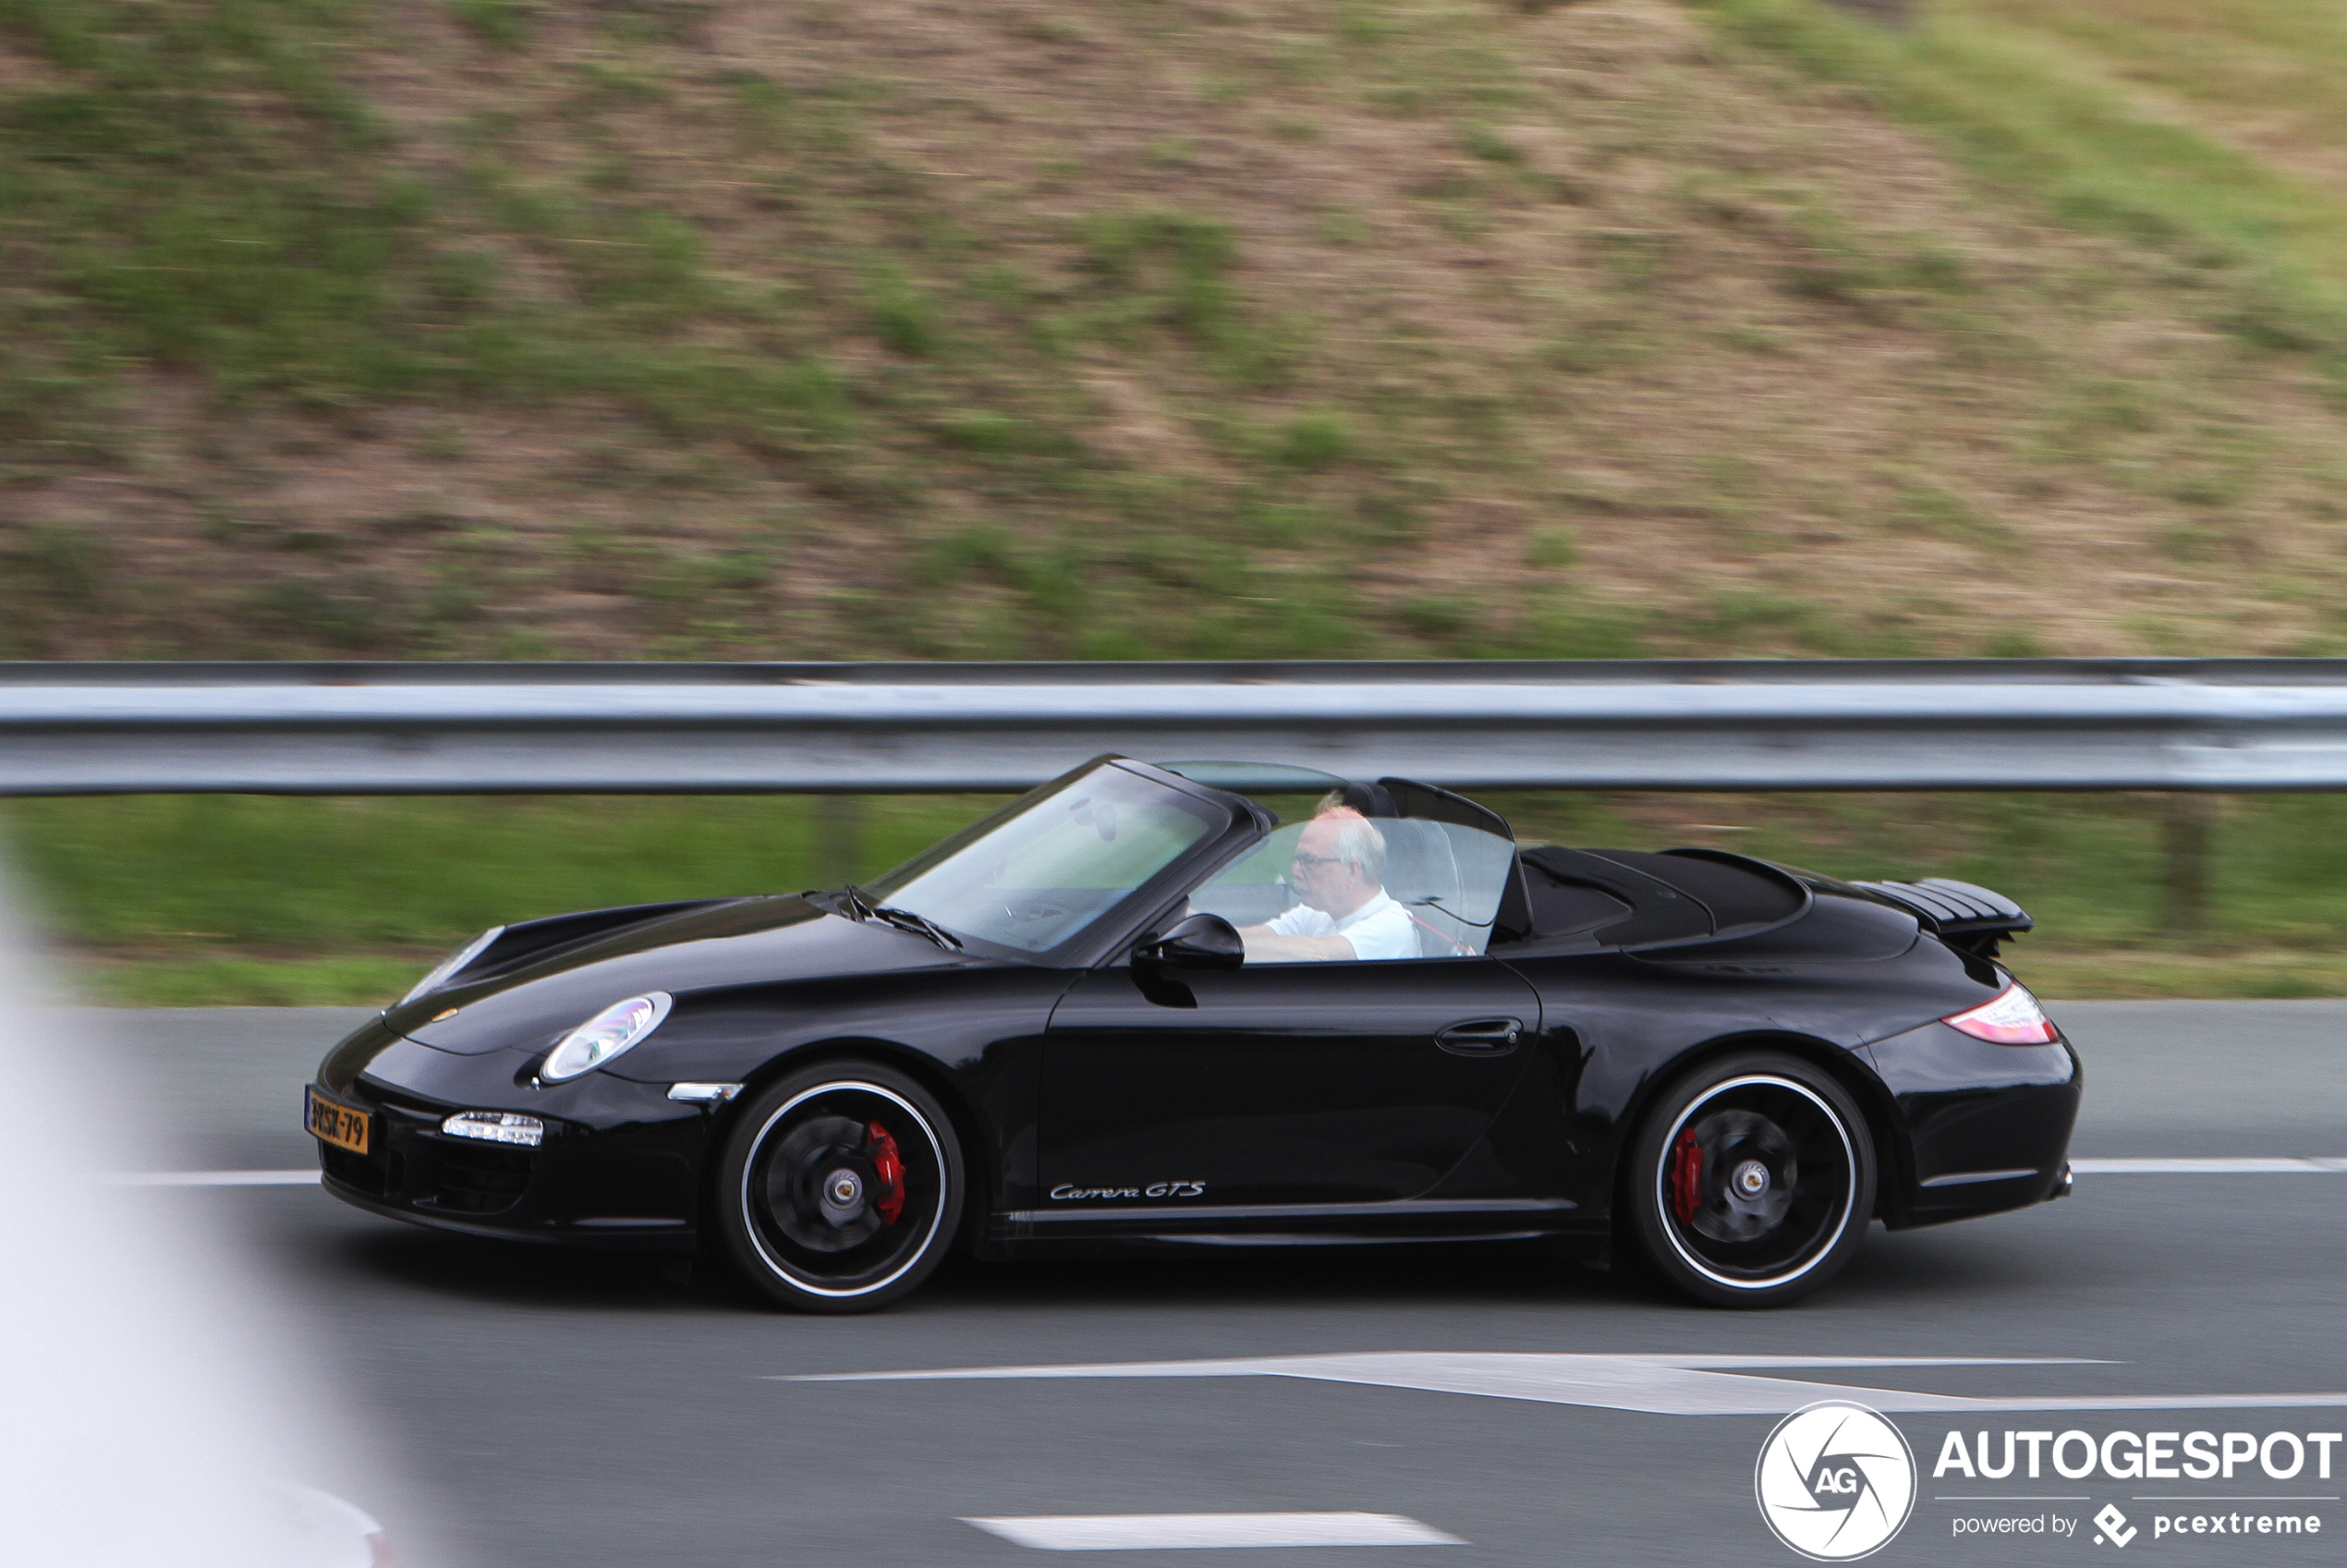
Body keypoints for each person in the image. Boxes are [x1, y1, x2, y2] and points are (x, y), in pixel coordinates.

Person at [1237, 806, 1418, 962]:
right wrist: (1214, 940)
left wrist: (1221, 947)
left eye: (1309, 861)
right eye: (1298, 859)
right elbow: (1263, 935)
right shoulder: (1319, 911)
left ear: (1353, 870)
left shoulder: (1392, 927)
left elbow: (1315, 953)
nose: (1295, 871)